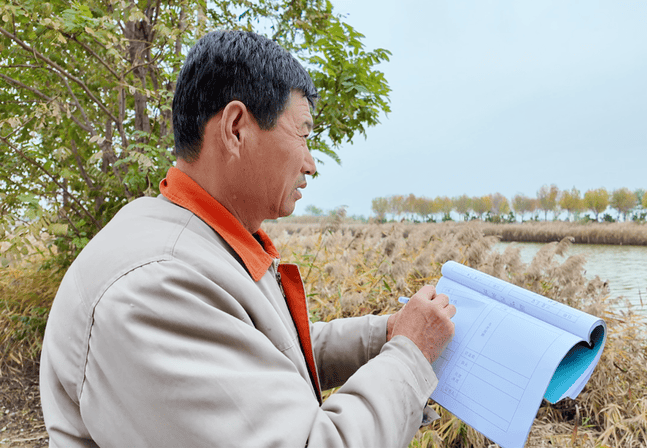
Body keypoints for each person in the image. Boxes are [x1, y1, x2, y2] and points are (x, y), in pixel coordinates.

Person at [39, 30, 456, 447]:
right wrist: (408, 354)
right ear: (236, 128)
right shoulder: (154, 287)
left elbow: (267, 346)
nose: (311, 165)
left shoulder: (185, 234)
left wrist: (385, 334)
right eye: (304, 134)